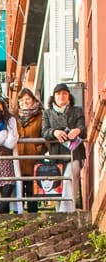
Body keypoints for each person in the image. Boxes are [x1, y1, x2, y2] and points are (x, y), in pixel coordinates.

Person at [44, 83, 86, 212]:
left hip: (74, 153)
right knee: (57, 185)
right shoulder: (47, 113)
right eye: (58, 94)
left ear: (69, 96)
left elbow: (83, 129)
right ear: (53, 97)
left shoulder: (77, 110)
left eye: (64, 93)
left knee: (69, 179)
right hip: (56, 155)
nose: (61, 96)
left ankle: (67, 211)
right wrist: (54, 132)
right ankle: (60, 211)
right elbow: (44, 132)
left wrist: (77, 130)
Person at [15, 88, 45, 214]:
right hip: (18, 158)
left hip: (34, 158)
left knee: (32, 191)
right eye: (21, 100)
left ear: (33, 100)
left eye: (27, 99)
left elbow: (45, 135)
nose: (24, 102)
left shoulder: (40, 116)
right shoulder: (14, 118)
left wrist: (39, 149)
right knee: (18, 190)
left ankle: (33, 216)